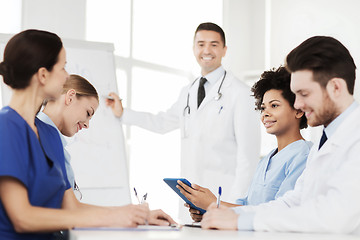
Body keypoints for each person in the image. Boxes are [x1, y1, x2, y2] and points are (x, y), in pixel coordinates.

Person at [0, 29, 175, 240]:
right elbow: (22, 218)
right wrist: (113, 218)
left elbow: (71, 208)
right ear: (43, 74)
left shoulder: (50, 135)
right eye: (62, 67)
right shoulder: (7, 126)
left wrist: (136, 215)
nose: (66, 75)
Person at [201, 36, 360, 234]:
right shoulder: (324, 143)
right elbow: (292, 202)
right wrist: (233, 216)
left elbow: (335, 217)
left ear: (336, 87)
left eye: (304, 93)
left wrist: (243, 222)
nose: (298, 104)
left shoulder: (354, 139)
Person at [106, 22, 260, 217]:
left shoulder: (240, 93)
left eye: (214, 44)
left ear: (224, 50)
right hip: (191, 197)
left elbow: (248, 158)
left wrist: (235, 206)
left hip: (224, 196)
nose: (206, 50)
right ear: (194, 48)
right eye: (201, 44)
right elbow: (161, 123)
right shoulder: (187, 92)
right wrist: (123, 114)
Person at [178, 66, 312, 222]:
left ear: (299, 110)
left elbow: (281, 213)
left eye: (274, 105)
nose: (265, 113)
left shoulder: (305, 155)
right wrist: (210, 210)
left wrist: (214, 204)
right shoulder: (266, 160)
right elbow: (246, 205)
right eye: (263, 108)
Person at [37, 74, 98, 194]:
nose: (87, 125)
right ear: (70, 97)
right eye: (88, 113)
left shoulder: (51, 140)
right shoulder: (39, 137)